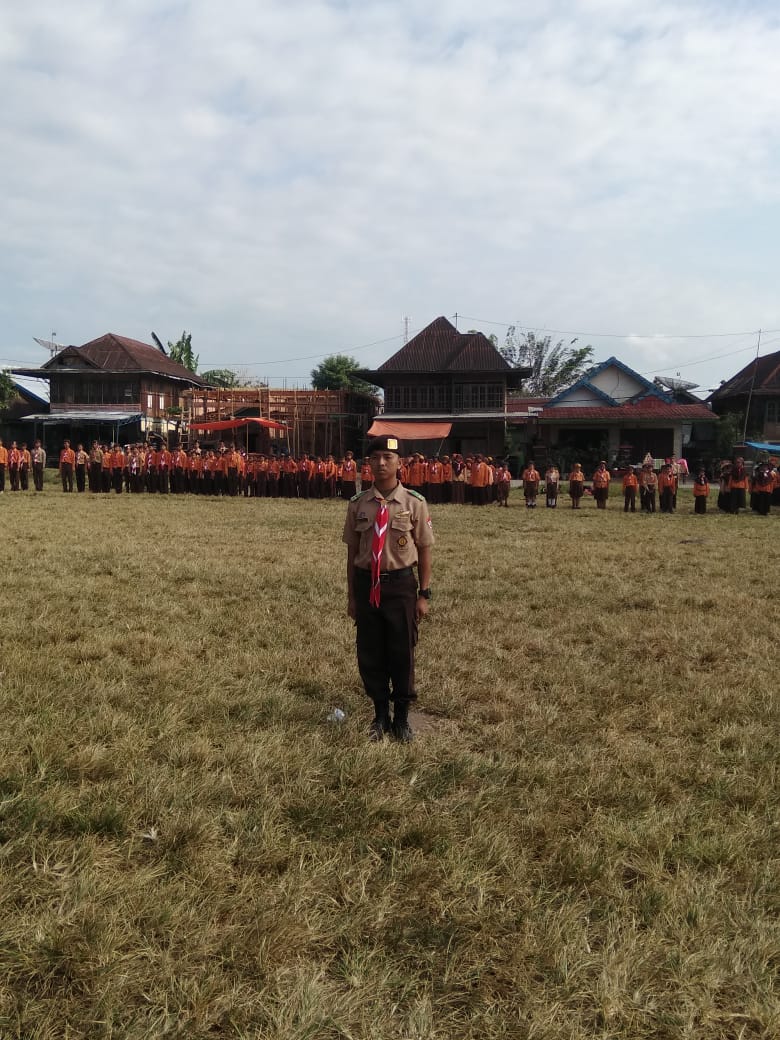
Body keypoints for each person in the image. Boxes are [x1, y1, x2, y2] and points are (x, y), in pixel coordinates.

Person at [343, 435, 434, 743]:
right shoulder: (358, 504)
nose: (381, 463)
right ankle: (380, 714)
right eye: (375, 458)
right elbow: (352, 553)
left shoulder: (414, 503)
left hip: (400, 586)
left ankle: (402, 717)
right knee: (370, 651)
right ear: (368, 463)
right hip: (367, 584)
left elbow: (425, 549)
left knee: (402, 651)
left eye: (388, 457)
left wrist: (424, 594)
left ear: (400, 463)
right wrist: (352, 596)